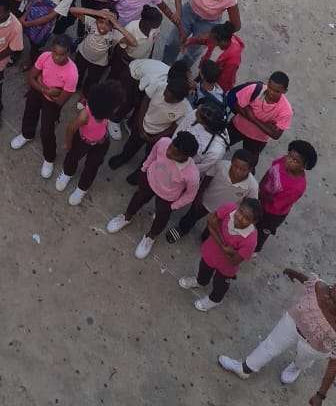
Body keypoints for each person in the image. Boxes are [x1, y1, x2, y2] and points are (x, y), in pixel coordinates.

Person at [219, 269, 336, 396]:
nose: (331, 292)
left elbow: (333, 365)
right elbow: (309, 281)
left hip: (314, 346)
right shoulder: (320, 287)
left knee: (304, 361)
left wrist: (321, 394)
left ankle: (297, 366)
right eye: (334, 288)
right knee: (270, 345)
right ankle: (245, 368)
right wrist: (295, 274)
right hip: (293, 322)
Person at [105, 131, 200, 260]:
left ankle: (150, 237)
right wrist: (144, 169)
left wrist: (173, 206)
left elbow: (190, 195)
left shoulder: (192, 174)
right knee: (137, 199)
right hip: (150, 180)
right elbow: (151, 156)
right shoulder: (163, 142)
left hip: (167, 197)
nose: (169, 152)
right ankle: (126, 218)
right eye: (172, 146)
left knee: (161, 218)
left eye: (175, 153)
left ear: (186, 157)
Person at [10, 34, 79, 178]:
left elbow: (60, 101)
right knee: (29, 113)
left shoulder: (72, 73)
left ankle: (49, 158)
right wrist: (46, 89)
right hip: (39, 91)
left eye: (61, 55)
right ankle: (27, 134)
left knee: (47, 131)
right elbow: (31, 77)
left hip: (52, 102)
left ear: (68, 54)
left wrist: (47, 88)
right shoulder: (45, 56)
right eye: (55, 52)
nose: (56, 57)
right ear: (51, 49)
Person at [55, 79, 123, 205]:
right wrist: (68, 143)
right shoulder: (85, 116)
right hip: (82, 140)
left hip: (101, 142)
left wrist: (104, 135)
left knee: (92, 166)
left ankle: (82, 188)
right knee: (72, 157)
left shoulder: (106, 113)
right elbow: (71, 128)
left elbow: (104, 123)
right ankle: (67, 173)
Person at [162, 0, 240, 64]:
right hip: (188, 12)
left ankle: (181, 70)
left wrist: (211, 33)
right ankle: (165, 64)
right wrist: (178, 11)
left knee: (194, 50)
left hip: (209, 23)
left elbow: (236, 26)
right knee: (175, 40)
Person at [256, 139, 317, 253]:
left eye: (295, 161)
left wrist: (261, 194)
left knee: (262, 232)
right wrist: (260, 187)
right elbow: (269, 172)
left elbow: (276, 203)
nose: (289, 161)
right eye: (289, 156)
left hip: (272, 214)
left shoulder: (297, 187)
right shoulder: (282, 161)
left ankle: (255, 249)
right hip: (262, 197)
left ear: (304, 166)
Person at [226, 71, 293, 161]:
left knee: (248, 163)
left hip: (257, 140)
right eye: (270, 87)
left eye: (277, 91)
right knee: (219, 144)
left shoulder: (286, 111)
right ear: (268, 82)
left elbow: (275, 135)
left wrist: (253, 117)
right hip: (237, 127)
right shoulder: (254, 89)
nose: (271, 93)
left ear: (285, 91)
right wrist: (266, 125)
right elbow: (237, 105)